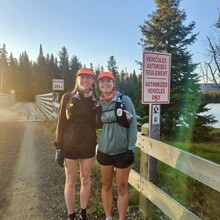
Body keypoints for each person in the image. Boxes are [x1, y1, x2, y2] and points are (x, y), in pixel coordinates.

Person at [54, 67, 98, 220]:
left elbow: (100, 123)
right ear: (77, 79)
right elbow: (60, 123)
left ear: (92, 81)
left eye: (89, 77)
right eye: (82, 77)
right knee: (71, 179)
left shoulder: (95, 100)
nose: (85, 80)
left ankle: (83, 213)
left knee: (86, 179)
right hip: (69, 145)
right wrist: (58, 147)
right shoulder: (67, 97)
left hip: (88, 145)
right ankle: (71, 215)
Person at [96, 71, 137, 220]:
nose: (105, 83)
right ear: (99, 84)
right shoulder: (97, 103)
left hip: (122, 152)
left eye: (108, 81)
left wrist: (131, 148)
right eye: (102, 81)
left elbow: (133, 125)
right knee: (106, 186)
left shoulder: (124, 100)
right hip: (104, 151)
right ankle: (108, 217)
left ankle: (121, 218)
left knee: (121, 188)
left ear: (113, 84)